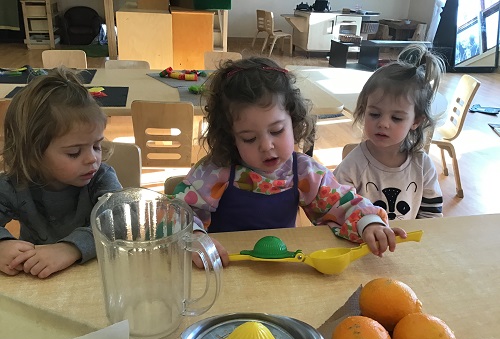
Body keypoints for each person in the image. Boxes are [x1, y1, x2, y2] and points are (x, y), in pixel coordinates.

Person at [170, 56, 407, 267]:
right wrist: (193, 237)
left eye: (277, 131)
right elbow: (175, 213)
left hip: (282, 269)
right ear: (231, 138)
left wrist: (369, 223)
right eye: (249, 138)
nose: (266, 146)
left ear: (293, 123)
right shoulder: (215, 172)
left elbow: (344, 205)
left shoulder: (305, 172)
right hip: (226, 269)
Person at [0, 67, 122, 278]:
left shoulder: (101, 177)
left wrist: (71, 248)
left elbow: (122, 220)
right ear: (32, 154)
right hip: (39, 282)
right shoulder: (14, 184)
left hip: (95, 277)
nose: (92, 159)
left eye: (96, 146)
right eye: (74, 153)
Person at [334, 45, 444, 220]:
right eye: (375, 114)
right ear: (364, 111)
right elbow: (336, 210)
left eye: (397, 118)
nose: (383, 124)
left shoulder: (423, 165)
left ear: (416, 121)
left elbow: (431, 215)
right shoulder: (353, 165)